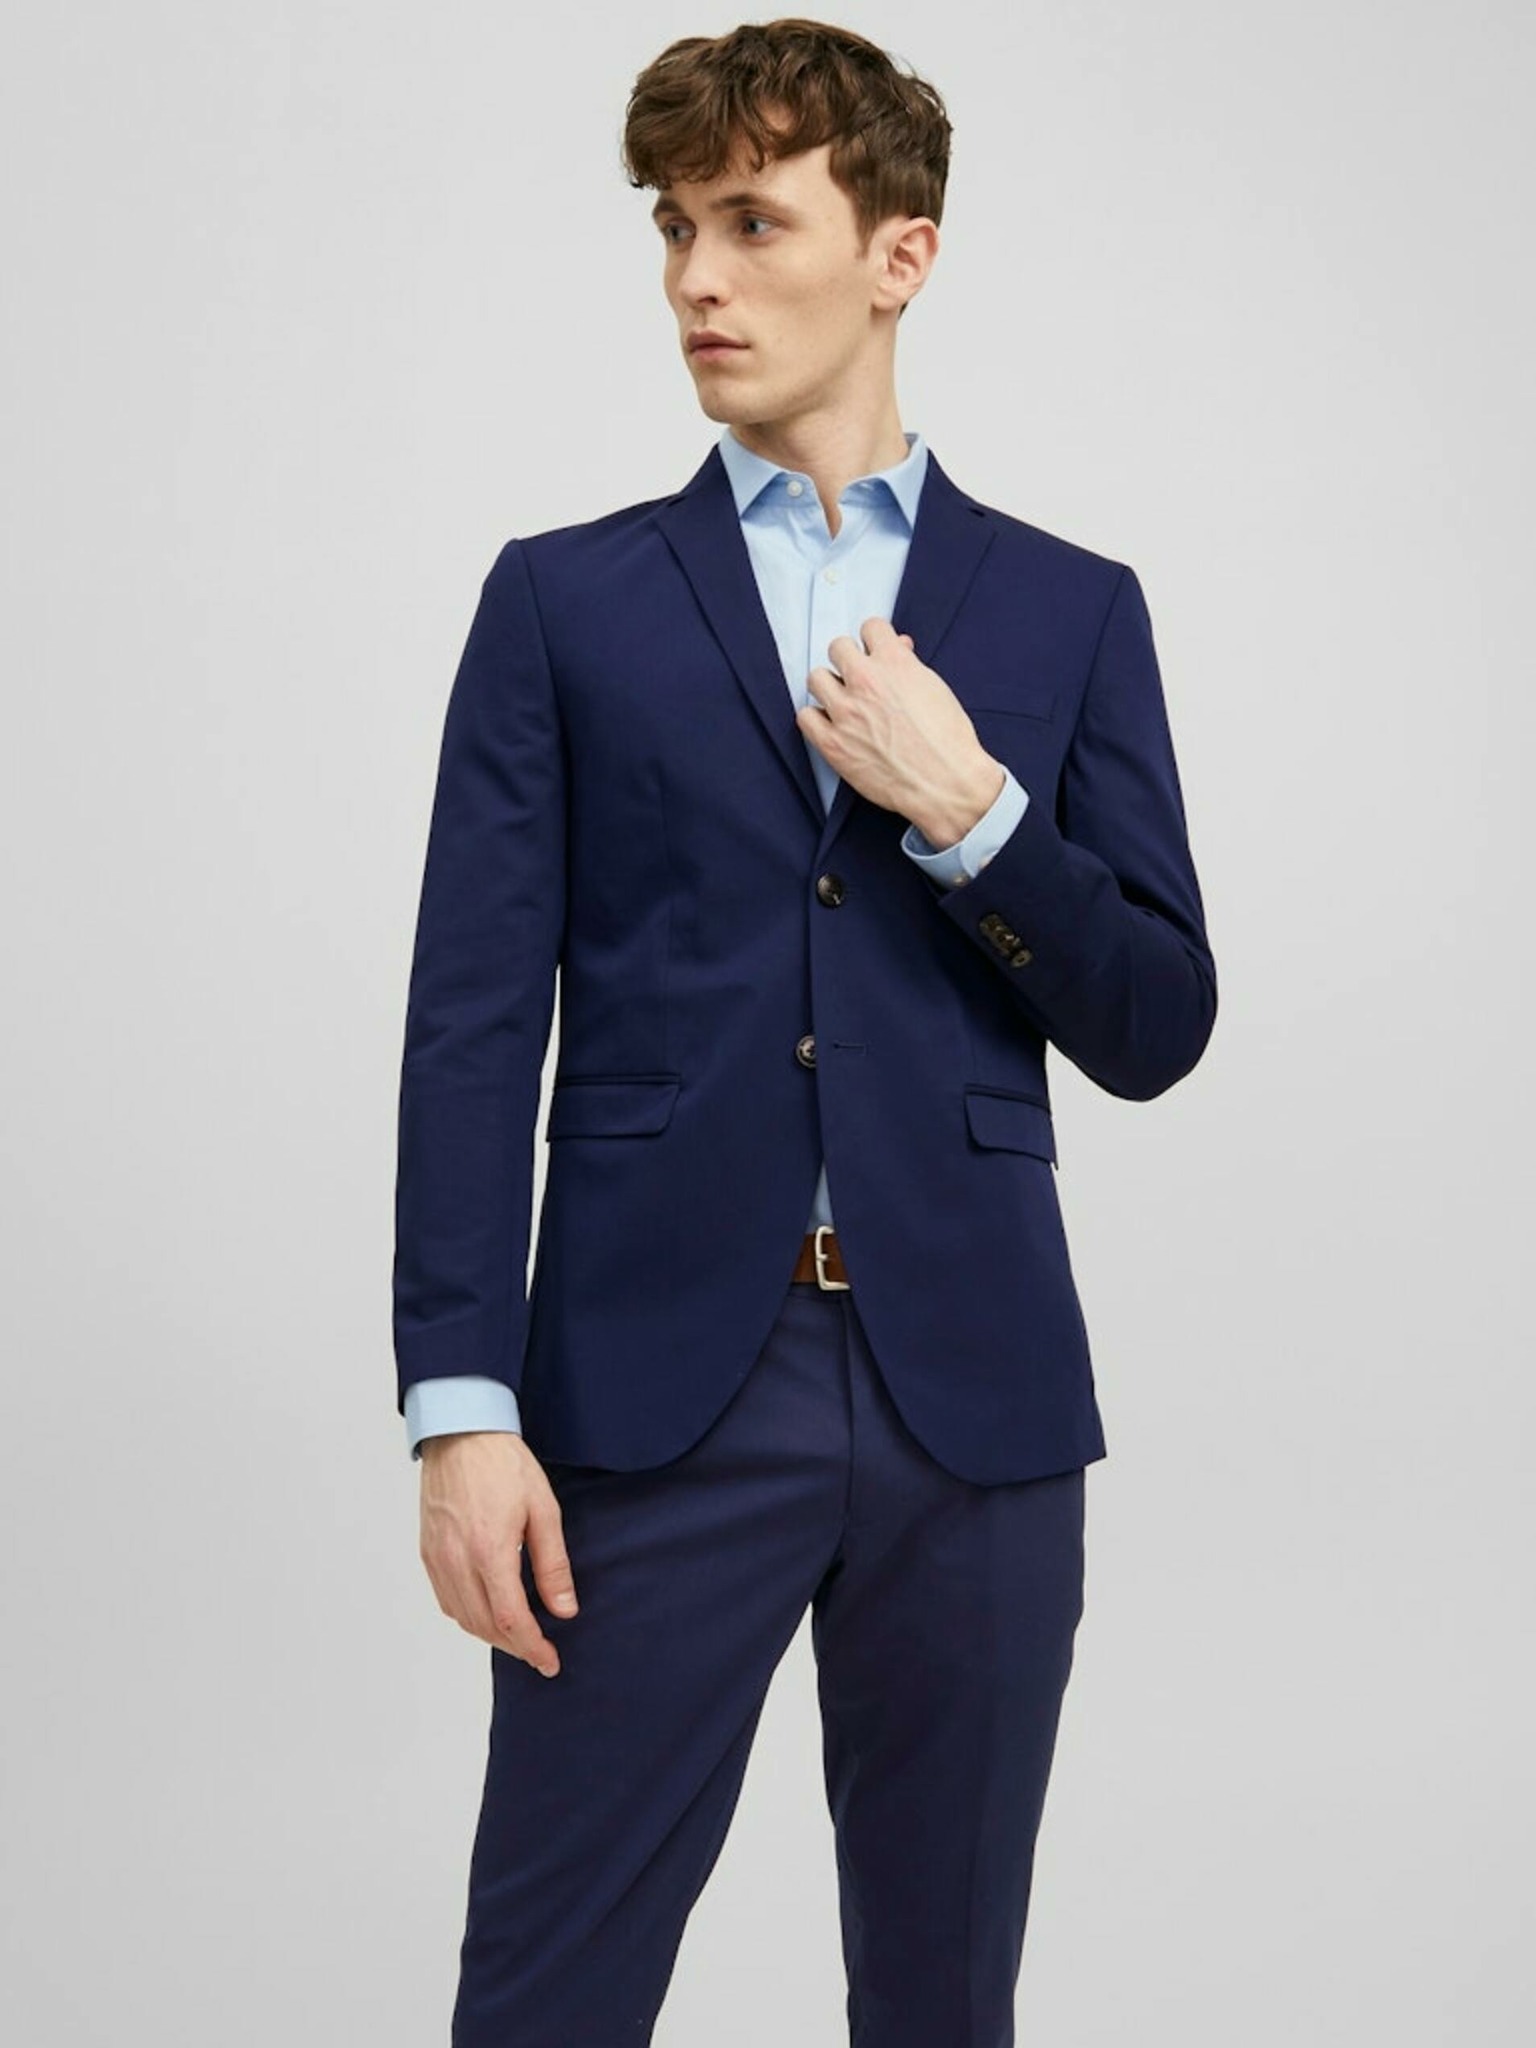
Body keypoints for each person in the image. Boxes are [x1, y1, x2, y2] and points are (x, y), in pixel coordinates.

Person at [392, 19, 1216, 2045]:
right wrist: (460, 1407)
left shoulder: (1071, 608)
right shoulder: (565, 602)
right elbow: (472, 1025)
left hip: (977, 1405)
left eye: (752, 223)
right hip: (649, 1394)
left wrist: (976, 813)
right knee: (547, 1998)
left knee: (942, 2003)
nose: (696, 276)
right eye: (674, 229)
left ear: (899, 255)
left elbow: (1156, 1020)